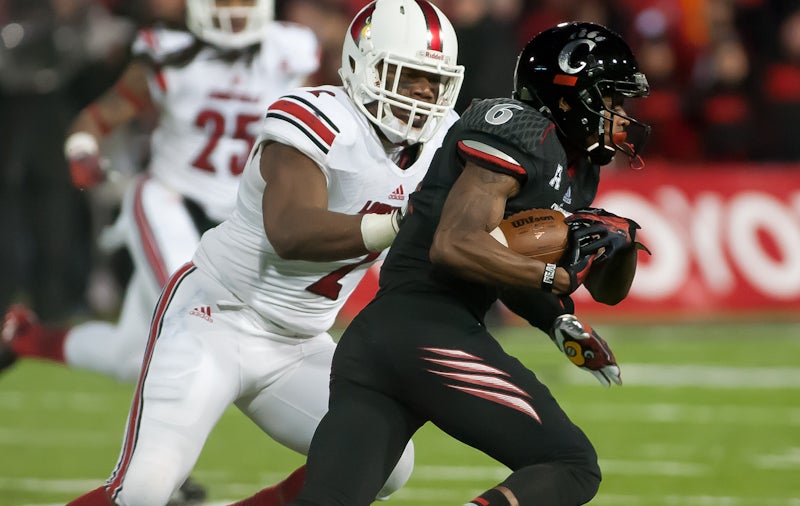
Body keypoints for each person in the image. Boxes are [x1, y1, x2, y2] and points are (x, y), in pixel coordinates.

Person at [64, 0, 465, 505]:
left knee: (383, 460)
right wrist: (401, 224)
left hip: (300, 341)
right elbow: (291, 232)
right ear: (367, 67)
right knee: (142, 492)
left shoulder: (445, 138)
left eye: (434, 81)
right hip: (216, 318)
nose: (423, 95)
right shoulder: (316, 119)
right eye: (407, 76)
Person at [287, 21, 651, 506]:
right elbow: (456, 246)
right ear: (570, 92)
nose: (621, 115)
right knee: (570, 465)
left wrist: (568, 306)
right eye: (612, 100)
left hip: (377, 343)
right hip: (428, 332)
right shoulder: (518, 127)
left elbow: (598, 288)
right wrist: (554, 276)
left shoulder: (575, 165)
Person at [1, 0, 318, 503]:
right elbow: (99, 116)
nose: (234, 11)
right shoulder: (167, 53)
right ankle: (162, 467)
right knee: (199, 321)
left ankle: (26, 337)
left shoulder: (292, 49)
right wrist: (82, 151)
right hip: (171, 201)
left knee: (134, 355)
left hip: (240, 219)